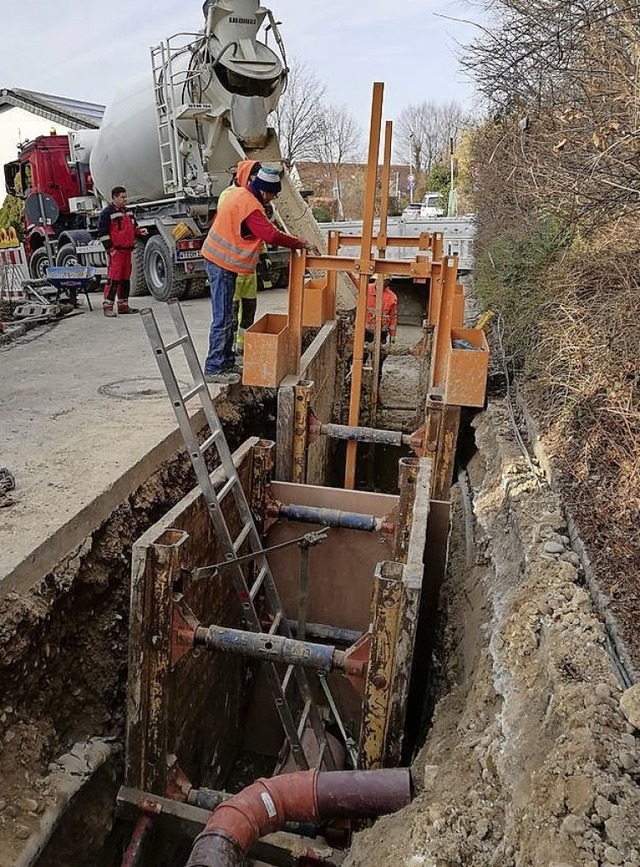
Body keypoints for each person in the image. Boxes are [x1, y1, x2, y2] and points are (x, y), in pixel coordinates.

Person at [201, 165, 315, 385]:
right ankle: (214, 367)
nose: (272, 200)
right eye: (273, 195)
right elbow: (270, 235)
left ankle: (225, 360)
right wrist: (298, 243)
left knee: (225, 316)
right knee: (224, 317)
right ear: (265, 191)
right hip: (220, 262)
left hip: (220, 260)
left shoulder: (240, 193)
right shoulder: (251, 206)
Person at [217, 160, 264, 361]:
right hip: (233, 265)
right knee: (231, 314)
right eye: (256, 177)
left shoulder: (252, 197)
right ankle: (229, 353)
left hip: (248, 267)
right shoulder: (229, 196)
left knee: (249, 311)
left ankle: (242, 348)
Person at [97, 186, 147, 317]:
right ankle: (107, 306)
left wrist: (139, 232)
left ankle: (123, 306)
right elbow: (102, 232)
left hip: (127, 250)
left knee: (125, 279)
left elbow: (133, 226)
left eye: (126, 197)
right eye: (122, 197)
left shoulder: (128, 212)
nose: (125, 199)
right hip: (116, 251)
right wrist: (110, 249)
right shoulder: (107, 213)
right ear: (114, 198)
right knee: (114, 279)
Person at [365, 277, 398, 345]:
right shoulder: (365, 288)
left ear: (388, 282)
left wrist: (393, 336)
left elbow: (393, 317)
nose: (382, 283)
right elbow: (353, 283)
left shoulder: (391, 296)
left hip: (381, 331)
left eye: (385, 281)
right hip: (364, 331)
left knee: (381, 351)